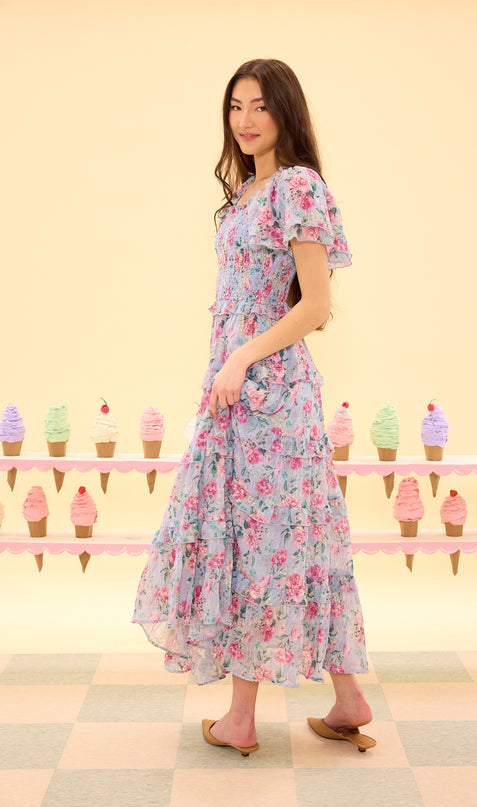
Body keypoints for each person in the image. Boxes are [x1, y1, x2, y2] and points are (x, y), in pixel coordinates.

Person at [132, 58, 375, 756]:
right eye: (235, 106)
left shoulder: (297, 187)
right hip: (236, 395)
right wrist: (222, 370)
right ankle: (349, 696)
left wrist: (240, 358)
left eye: (259, 106)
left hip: (270, 397)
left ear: (285, 113)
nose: (244, 119)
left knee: (265, 543)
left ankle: (242, 719)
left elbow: (318, 307)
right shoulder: (248, 193)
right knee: (285, 539)